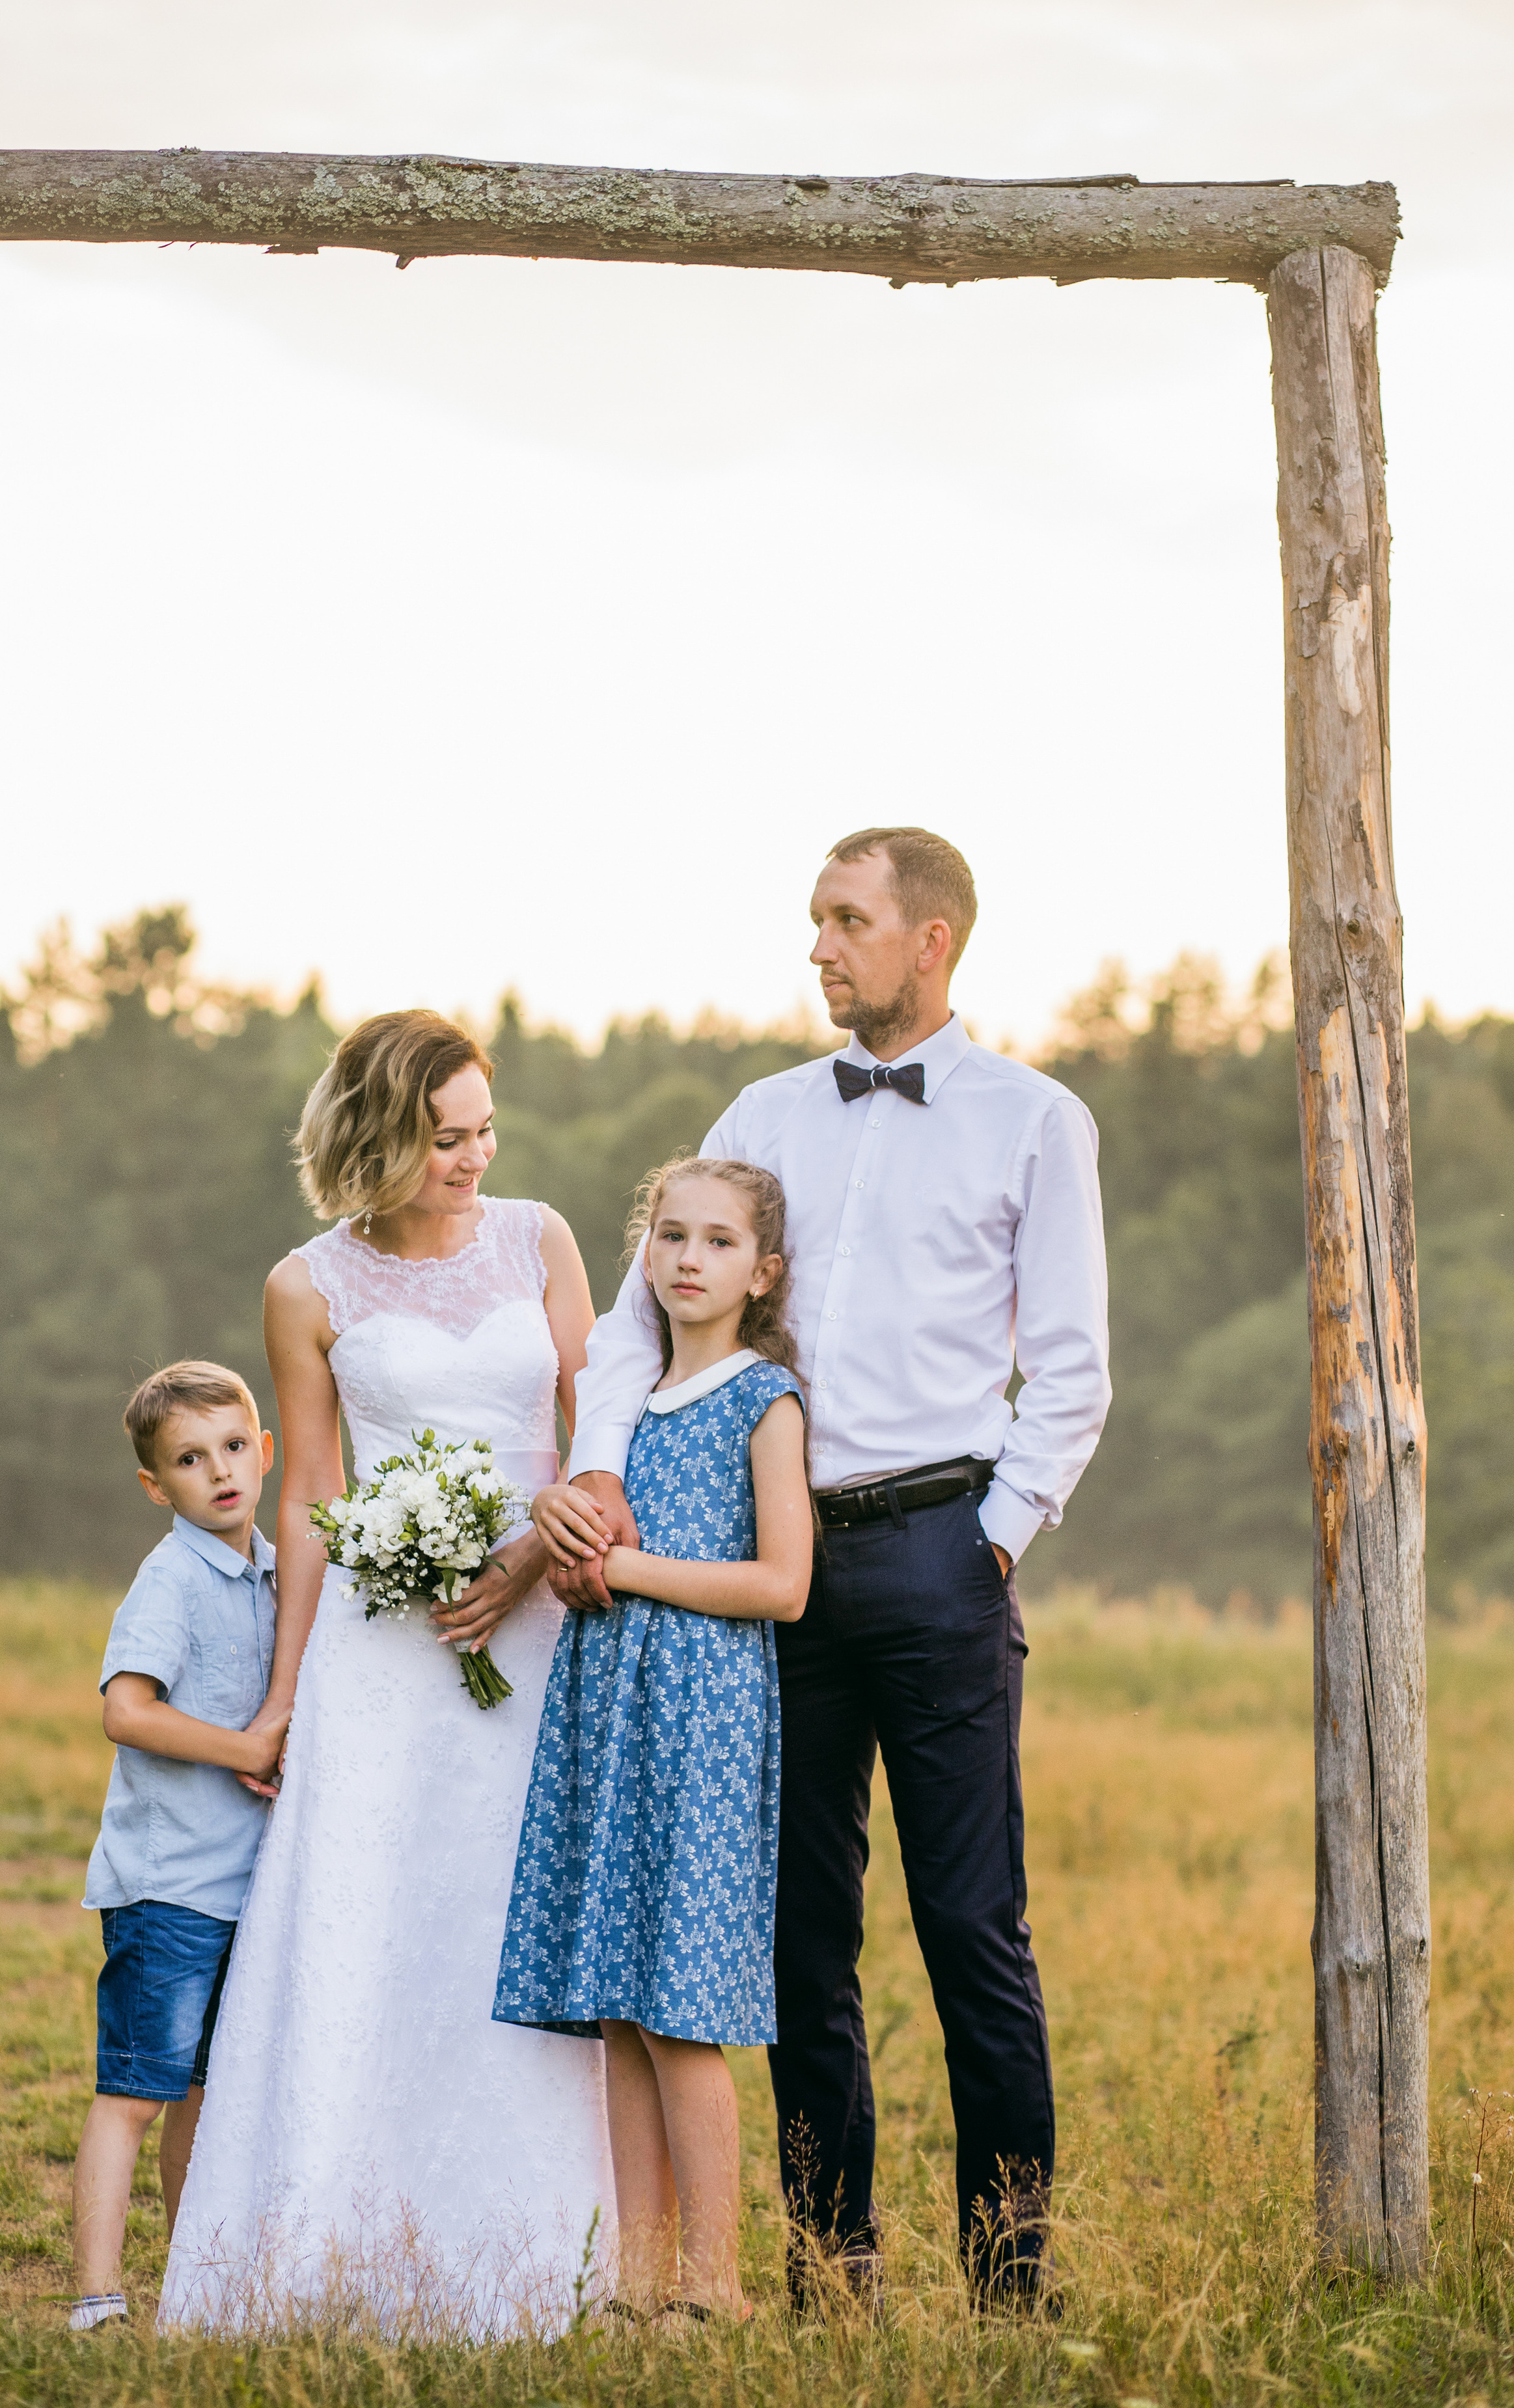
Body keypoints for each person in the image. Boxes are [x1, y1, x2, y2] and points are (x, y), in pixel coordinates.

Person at [535, 827, 1111, 2310]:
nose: (818, 947)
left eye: (845, 920)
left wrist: (992, 1538)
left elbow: (1070, 1371)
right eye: (814, 920)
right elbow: (629, 1326)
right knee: (797, 1938)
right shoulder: (762, 1110)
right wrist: (598, 1467)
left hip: (938, 1553)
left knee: (972, 1929)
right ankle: (826, 2268)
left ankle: (1005, 2283)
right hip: (756, 1579)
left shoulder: (1034, 1121)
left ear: (930, 941)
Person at [160, 1011, 612, 2341]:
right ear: (377, 1134)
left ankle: (538, 2259)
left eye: (484, 1130)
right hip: (380, 1644)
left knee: (501, 1917)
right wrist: (288, 1694)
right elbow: (312, 1496)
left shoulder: (540, 1239)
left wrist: (536, 1550)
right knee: (369, 1921)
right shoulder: (307, 1285)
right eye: (444, 1137)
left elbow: (604, 1427)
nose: (474, 1157)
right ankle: (333, 2248)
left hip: (532, 1628)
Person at [495, 1158, 813, 2324]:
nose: (689, 1258)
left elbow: (784, 1584)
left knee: (681, 2010)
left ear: (763, 1272)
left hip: (704, 1718)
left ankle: (715, 2290)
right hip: (609, 1703)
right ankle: (639, 2288)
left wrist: (615, 1566)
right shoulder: (618, 1409)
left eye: (720, 1242)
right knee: (621, 2009)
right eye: (671, 1236)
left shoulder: (761, 1398)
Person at [70, 1361, 286, 2334]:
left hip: (246, 1884)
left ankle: (193, 2283)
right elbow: (126, 1711)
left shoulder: (280, 1571)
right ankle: (97, 2298)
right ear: (158, 1487)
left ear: (267, 1450)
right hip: (170, 1888)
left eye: (234, 1448)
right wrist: (243, 1747)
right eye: (192, 1461)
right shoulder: (173, 1578)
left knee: (204, 2093)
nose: (221, 1472)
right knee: (137, 2092)